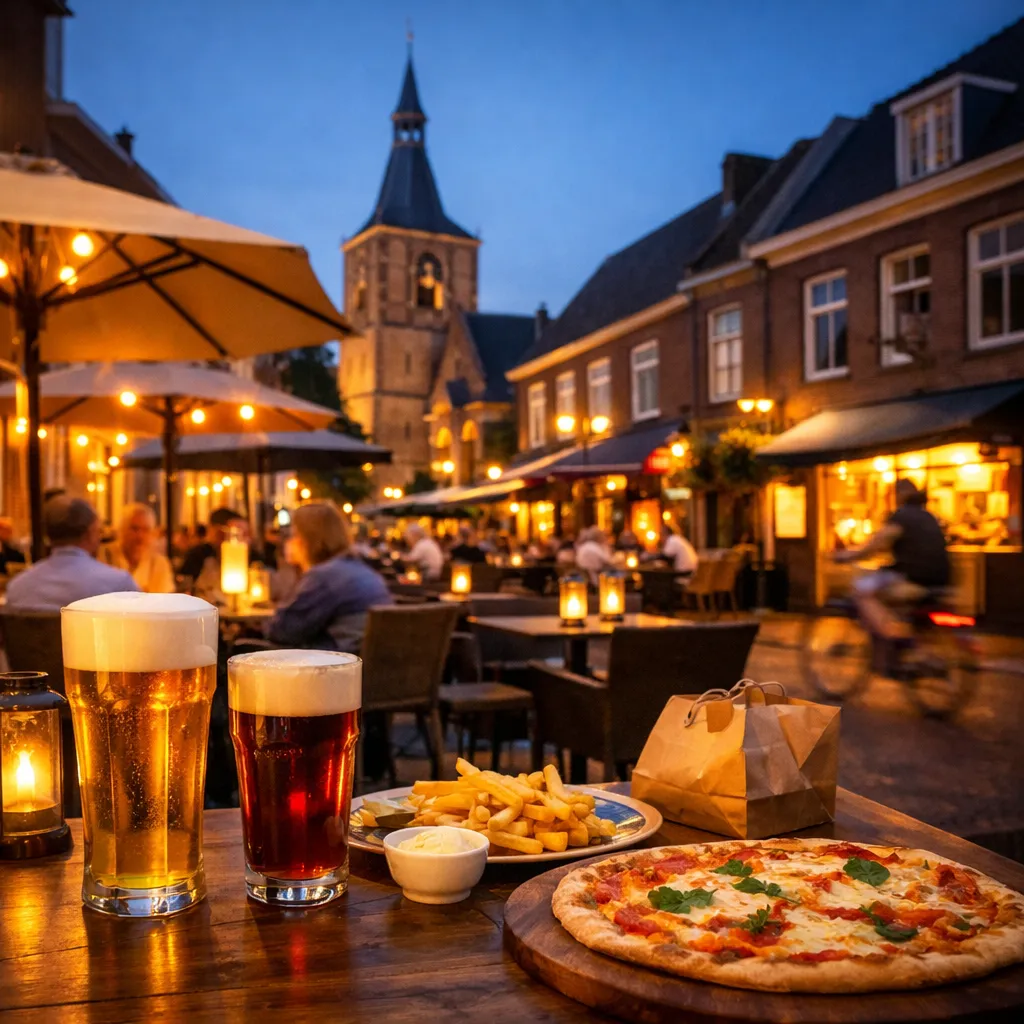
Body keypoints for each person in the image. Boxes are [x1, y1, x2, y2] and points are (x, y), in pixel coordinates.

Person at [267, 501, 392, 652]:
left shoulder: (323, 577)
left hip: (336, 667)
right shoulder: (358, 569)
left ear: (307, 539)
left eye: (293, 534)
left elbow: (282, 631)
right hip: (369, 666)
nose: (288, 542)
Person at [835, 478, 951, 639]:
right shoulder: (929, 516)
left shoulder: (902, 516)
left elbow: (874, 546)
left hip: (913, 579)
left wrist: (846, 555)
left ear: (899, 495)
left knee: (861, 591)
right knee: (885, 587)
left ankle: (891, 635)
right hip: (940, 580)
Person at [5, 497, 137, 611]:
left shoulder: (17, 588)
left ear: (48, 535)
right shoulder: (120, 585)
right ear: (90, 533)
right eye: (98, 531)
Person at [100, 504, 175, 593]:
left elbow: (163, 600)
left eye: (146, 530)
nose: (140, 536)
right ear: (121, 529)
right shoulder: (104, 555)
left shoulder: (159, 563)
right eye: (134, 529)